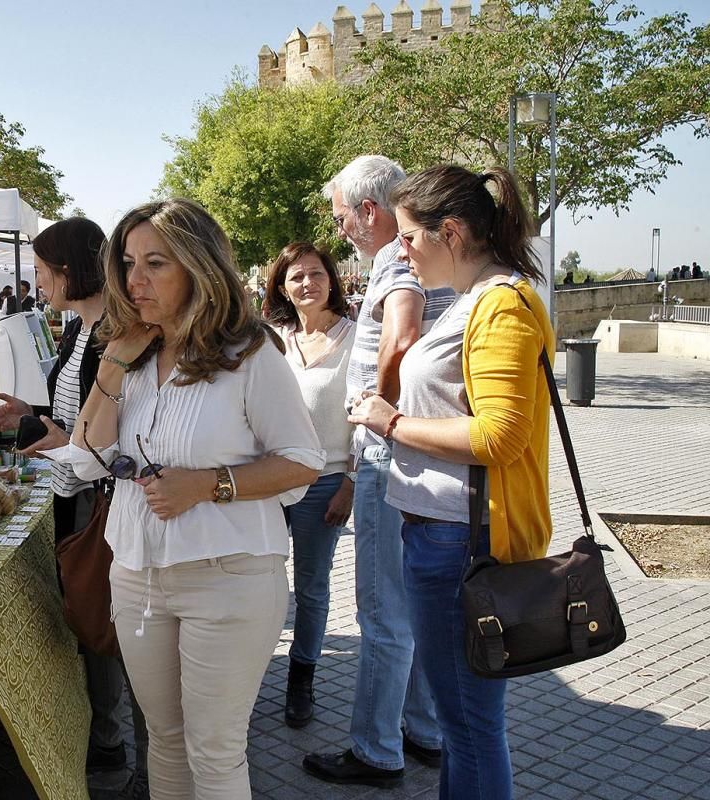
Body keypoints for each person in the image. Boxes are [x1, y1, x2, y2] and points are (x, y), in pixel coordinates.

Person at [67, 198, 325, 799]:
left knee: (214, 750)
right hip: (136, 574)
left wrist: (208, 485)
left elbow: (303, 463)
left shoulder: (249, 352)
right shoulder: (131, 354)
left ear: (197, 266)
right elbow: (86, 455)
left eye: (155, 263)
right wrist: (111, 362)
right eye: (128, 264)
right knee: (164, 738)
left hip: (228, 575)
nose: (135, 281)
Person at [348, 165, 556, 800]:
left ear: (453, 232)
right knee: (465, 726)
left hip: (462, 544)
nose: (401, 251)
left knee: (468, 727)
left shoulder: (500, 306)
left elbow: (499, 436)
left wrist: (393, 421)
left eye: (409, 236)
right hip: (444, 536)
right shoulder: (475, 301)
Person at [0, 217, 150, 798]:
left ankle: (130, 755)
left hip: (102, 497)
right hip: (75, 491)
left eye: (41, 270)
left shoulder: (114, 332)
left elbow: (111, 432)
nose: (37, 281)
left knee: (109, 622)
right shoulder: (78, 329)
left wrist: (62, 439)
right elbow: (69, 417)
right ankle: (106, 737)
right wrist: (27, 414)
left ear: (67, 270)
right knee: (92, 618)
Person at [304, 155, 448, 789]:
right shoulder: (426, 256)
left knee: (384, 610)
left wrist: (378, 409)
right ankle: (423, 729)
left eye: (341, 219)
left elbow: (403, 335)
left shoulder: (396, 259)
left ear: (368, 211)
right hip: (423, 457)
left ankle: (375, 749)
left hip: (390, 455)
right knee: (414, 606)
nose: (341, 233)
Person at [262, 242, 356, 730]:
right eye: (296, 277)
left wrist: (351, 484)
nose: (307, 283)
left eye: (316, 274)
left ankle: (302, 678)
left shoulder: (356, 338)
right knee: (262, 580)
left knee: (312, 588)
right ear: (282, 286)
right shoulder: (274, 342)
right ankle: (254, 667)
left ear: (331, 280)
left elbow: (364, 418)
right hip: (272, 483)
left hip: (326, 484)